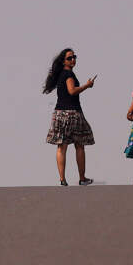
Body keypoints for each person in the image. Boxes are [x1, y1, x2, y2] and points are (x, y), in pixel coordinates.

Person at [43, 48, 97, 186]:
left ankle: (62, 179)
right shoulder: (68, 75)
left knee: (62, 146)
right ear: (63, 61)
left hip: (59, 113)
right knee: (79, 145)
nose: (73, 60)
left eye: (74, 57)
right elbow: (72, 91)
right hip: (72, 113)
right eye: (69, 58)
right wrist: (87, 85)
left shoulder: (61, 74)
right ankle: (82, 178)